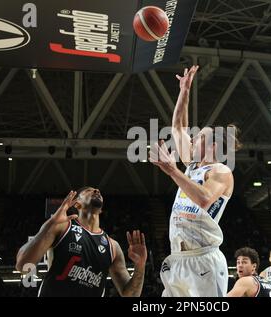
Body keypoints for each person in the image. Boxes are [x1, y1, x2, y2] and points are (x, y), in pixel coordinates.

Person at [150, 65, 241, 297]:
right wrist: (185, 91)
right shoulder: (192, 165)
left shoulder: (221, 172)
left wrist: (172, 170)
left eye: (199, 137)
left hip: (204, 259)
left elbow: (203, 199)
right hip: (178, 258)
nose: (192, 138)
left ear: (211, 146)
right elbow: (178, 126)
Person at [16, 187, 147, 297]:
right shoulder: (62, 227)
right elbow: (22, 265)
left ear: (101, 210)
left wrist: (140, 266)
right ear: (77, 204)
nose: (96, 190)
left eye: (97, 190)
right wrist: (51, 223)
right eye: (88, 190)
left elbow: (130, 295)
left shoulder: (113, 246)